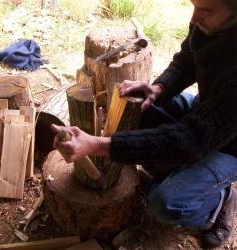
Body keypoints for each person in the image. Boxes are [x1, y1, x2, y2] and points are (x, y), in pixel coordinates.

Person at [51, 0, 237, 248]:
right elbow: (187, 59)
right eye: (193, 5)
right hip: (209, 111)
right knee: (135, 107)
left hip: (230, 143)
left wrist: (96, 145)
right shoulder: (211, 23)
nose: (193, 18)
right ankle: (179, 171)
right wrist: (160, 87)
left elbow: (193, 140)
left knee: (166, 203)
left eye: (206, 11)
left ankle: (220, 199)